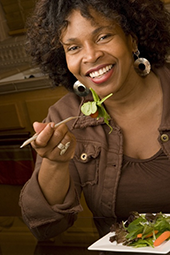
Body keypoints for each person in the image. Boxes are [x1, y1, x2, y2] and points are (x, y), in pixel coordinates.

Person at [19, 0, 170, 254]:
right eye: (74, 47)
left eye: (103, 36)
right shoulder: (65, 116)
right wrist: (55, 163)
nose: (90, 56)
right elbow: (44, 228)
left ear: (132, 39)